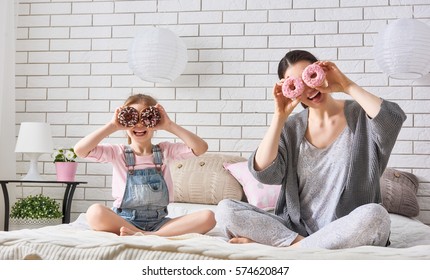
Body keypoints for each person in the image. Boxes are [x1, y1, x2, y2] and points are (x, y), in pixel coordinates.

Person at [215, 50, 406, 249]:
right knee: (226, 210)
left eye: (310, 76)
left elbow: (392, 119)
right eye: (297, 84)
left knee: (376, 216)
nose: (308, 89)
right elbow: (264, 173)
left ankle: (289, 249)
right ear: (289, 89)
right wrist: (279, 117)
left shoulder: (362, 116)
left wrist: (346, 85)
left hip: (347, 227)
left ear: (322, 71)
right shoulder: (290, 128)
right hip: (296, 229)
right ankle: (306, 246)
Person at [74, 93, 215, 236]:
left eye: (146, 118)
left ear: (155, 123)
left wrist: (169, 125)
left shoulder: (166, 151)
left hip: (160, 222)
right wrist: (112, 126)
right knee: (94, 212)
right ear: (124, 124)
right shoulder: (117, 153)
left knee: (208, 217)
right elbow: (80, 150)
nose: (140, 124)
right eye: (132, 118)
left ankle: (144, 235)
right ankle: (148, 234)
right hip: (124, 221)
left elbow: (200, 147)